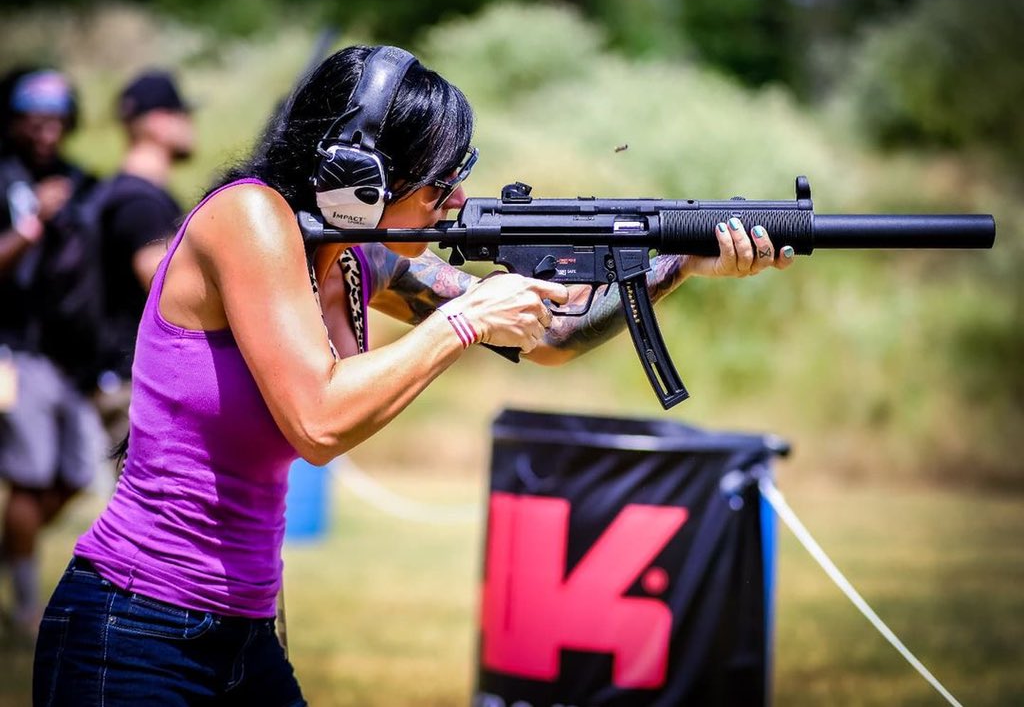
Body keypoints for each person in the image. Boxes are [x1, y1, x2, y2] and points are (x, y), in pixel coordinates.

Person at [32, 45, 794, 705]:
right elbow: (319, 422)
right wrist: (461, 323)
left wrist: (678, 262)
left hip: (238, 630)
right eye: (437, 182)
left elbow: (551, 337)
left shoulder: (355, 254)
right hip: (134, 627)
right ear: (354, 177)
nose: (455, 200)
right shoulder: (250, 221)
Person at [0, 67, 106, 640]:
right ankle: (23, 607)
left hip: (71, 356)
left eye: (56, 122)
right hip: (14, 353)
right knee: (30, 477)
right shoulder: (4, 179)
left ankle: (10, 554)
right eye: (33, 122)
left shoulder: (79, 181)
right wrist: (33, 221)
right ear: (13, 121)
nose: (45, 133)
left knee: (80, 470)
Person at [92, 70, 192, 446]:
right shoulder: (141, 204)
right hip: (133, 380)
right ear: (156, 122)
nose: (189, 125)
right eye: (182, 114)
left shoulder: (122, 192)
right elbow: (167, 286)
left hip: (125, 377)